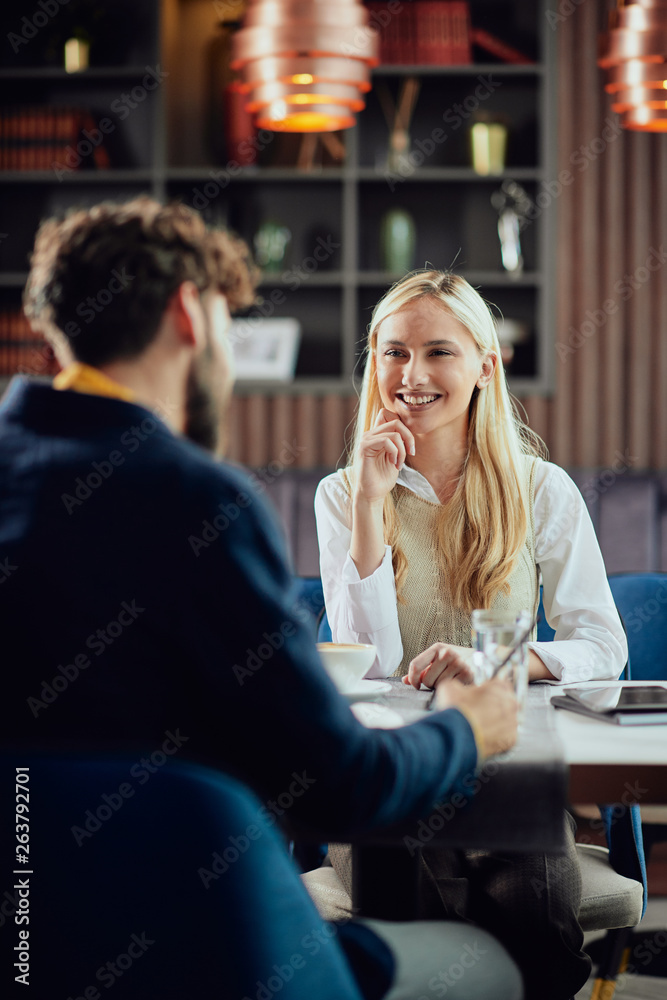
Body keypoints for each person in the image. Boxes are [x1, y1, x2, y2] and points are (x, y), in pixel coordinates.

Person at [0, 199, 523, 1000]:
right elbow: (340, 785)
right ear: (188, 313)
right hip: (204, 953)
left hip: (31, 954)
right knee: (483, 964)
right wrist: (467, 729)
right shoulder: (192, 501)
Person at [315, 269, 629, 1000]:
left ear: (485, 366)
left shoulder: (539, 487)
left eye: (437, 352)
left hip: (509, 769)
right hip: (387, 777)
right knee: (417, 914)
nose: (410, 375)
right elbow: (373, 663)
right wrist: (367, 505)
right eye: (392, 352)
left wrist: (502, 663)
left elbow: (600, 642)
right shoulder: (342, 493)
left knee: (531, 920)